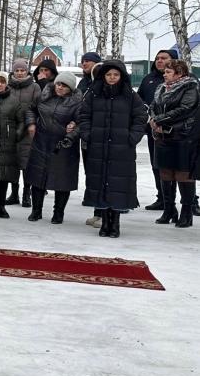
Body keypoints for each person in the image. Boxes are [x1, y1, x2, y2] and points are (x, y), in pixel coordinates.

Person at [78, 60, 147, 237]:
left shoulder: (130, 96)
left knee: (118, 184)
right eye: (109, 74)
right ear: (103, 76)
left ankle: (114, 222)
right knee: (100, 182)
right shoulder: (94, 94)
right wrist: (88, 135)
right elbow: (84, 115)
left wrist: (132, 138)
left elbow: (140, 117)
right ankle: (104, 221)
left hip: (121, 149)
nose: (112, 78)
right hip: (98, 146)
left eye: (116, 75)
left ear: (121, 76)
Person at [25, 71, 82, 223]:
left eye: (64, 85)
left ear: (70, 88)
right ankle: (36, 211)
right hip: (41, 142)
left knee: (62, 181)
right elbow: (31, 109)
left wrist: (72, 130)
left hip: (63, 145)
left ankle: (58, 213)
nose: (60, 87)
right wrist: (31, 124)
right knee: (38, 178)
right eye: (58, 84)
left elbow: (82, 122)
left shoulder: (77, 103)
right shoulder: (44, 96)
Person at [149, 58, 199, 228]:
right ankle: (169, 209)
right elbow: (154, 105)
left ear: (180, 73)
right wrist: (154, 119)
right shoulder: (161, 88)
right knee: (165, 173)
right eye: (165, 72)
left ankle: (187, 211)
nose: (165, 75)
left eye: (168, 72)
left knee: (183, 175)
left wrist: (160, 120)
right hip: (163, 136)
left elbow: (186, 109)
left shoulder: (190, 87)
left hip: (182, 136)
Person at [138, 49, 175, 210]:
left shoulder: (186, 80)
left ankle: (191, 202)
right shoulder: (148, 80)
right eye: (157, 58)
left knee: (182, 168)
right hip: (154, 132)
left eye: (164, 58)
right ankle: (163, 199)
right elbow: (138, 102)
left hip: (179, 133)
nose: (159, 61)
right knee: (157, 165)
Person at [0, 72, 24, 219]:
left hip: (7, 143)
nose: (0, 84)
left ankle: (1, 205)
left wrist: (17, 134)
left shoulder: (14, 101)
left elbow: (22, 120)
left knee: (3, 176)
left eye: (2, 82)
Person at [7, 59, 38, 207]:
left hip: (28, 131)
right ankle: (14, 194)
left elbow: (38, 106)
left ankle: (27, 194)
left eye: (22, 70)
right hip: (11, 130)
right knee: (13, 162)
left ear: (27, 72)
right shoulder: (8, 86)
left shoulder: (35, 87)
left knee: (26, 163)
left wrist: (32, 123)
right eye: (17, 70)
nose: (19, 73)